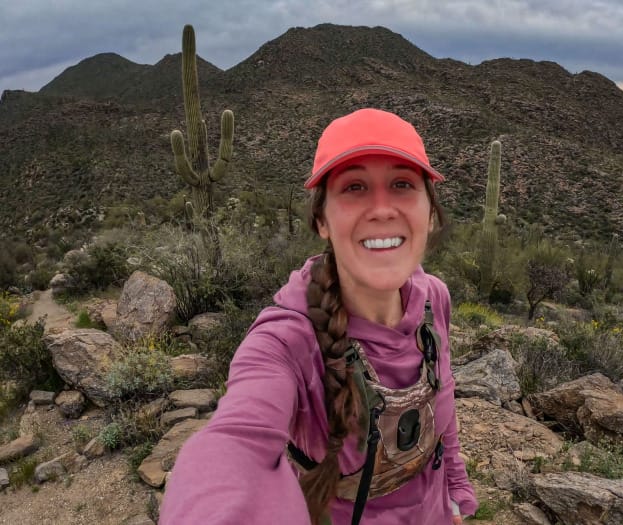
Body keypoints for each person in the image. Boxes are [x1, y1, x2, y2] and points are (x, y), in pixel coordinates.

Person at [159, 108, 478, 525]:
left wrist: (458, 493)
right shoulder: (287, 339)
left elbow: (443, 402)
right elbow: (236, 444)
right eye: (354, 187)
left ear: (429, 212)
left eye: (402, 184)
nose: (382, 208)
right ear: (322, 221)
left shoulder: (435, 298)